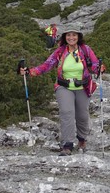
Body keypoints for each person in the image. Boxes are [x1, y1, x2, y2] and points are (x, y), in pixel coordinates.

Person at [21, 26, 105, 155]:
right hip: (63, 86)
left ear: (78, 37)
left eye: (74, 35)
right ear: (65, 37)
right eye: (68, 35)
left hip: (83, 87)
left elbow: (94, 66)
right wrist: (30, 71)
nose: (71, 38)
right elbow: (47, 65)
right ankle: (67, 144)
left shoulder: (85, 50)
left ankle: (82, 139)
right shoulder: (60, 51)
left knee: (82, 115)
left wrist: (99, 68)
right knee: (67, 112)